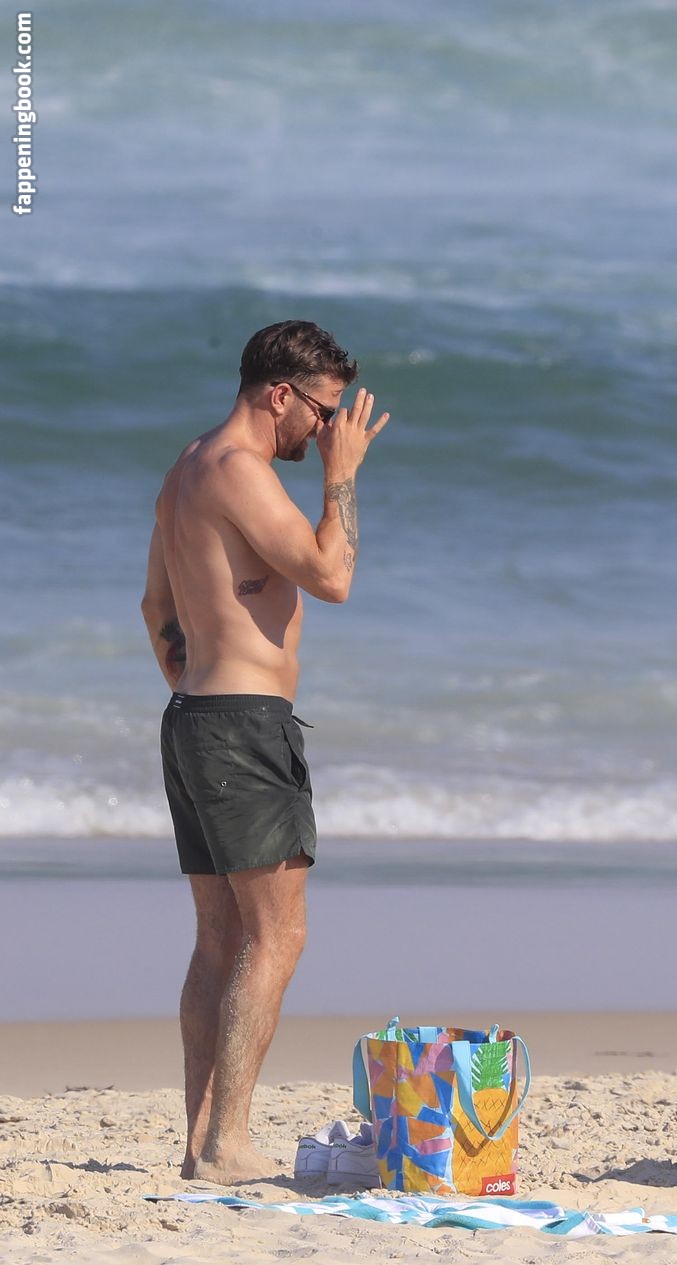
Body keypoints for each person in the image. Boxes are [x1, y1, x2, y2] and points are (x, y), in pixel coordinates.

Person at [140, 320, 389, 1183]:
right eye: (322, 412)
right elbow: (333, 574)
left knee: (220, 938)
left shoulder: (187, 466)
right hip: (240, 726)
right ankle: (227, 1144)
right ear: (279, 393)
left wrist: (200, 691)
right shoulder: (240, 470)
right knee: (278, 935)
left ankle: (202, 1140)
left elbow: (156, 609)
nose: (325, 430)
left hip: (195, 718)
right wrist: (342, 476)